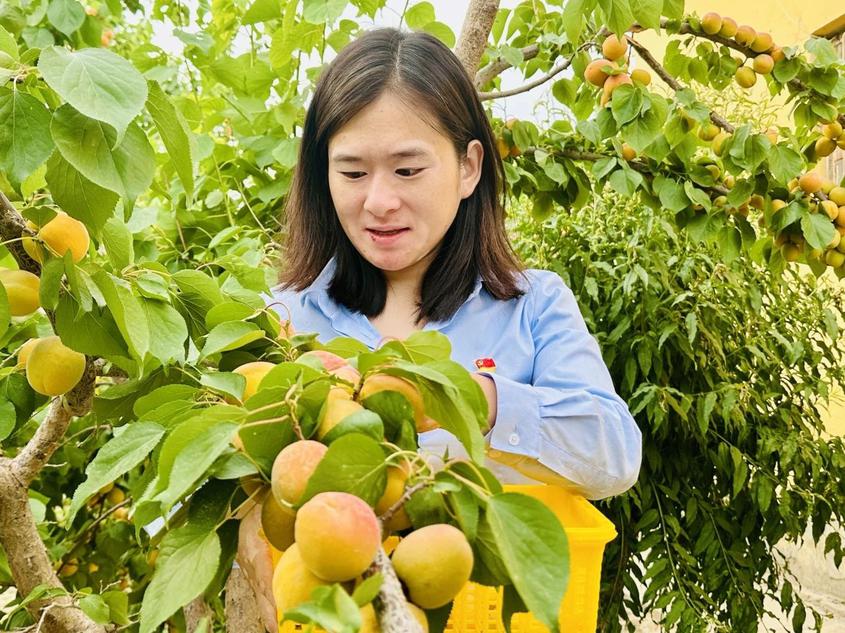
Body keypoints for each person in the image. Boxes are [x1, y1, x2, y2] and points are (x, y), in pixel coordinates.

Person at [269, 27, 641, 499]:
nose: (379, 201)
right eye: (352, 172)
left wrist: (473, 398)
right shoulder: (284, 318)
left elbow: (615, 456)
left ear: (468, 167)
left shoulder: (534, 307)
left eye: (407, 170)